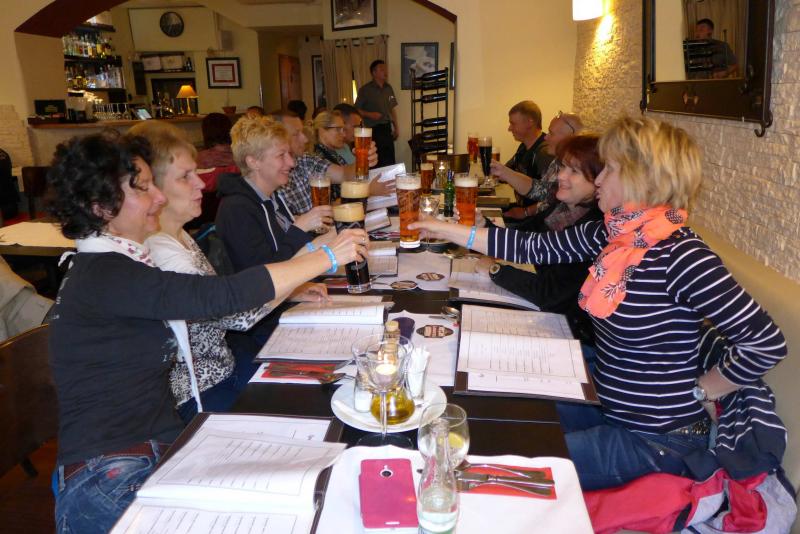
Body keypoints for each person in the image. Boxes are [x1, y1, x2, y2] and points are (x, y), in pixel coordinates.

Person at [410, 116, 787, 491]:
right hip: (606, 406)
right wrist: (442, 228)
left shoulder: (683, 256)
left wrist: (704, 390)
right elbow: (530, 247)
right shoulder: (615, 234)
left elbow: (767, 342)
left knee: (507, 461)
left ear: (643, 177)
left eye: (610, 168)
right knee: (497, 417)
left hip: (658, 440)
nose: (600, 179)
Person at [47, 131, 367, 533]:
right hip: (104, 477)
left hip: (152, 450)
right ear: (99, 206)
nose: (158, 197)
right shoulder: (107, 275)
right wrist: (326, 256)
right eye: (143, 188)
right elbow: (223, 298)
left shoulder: (116, 266)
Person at [137, 123, 328, 422]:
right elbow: (238, 315)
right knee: (313, 403)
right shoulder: (161, 249)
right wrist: (324, 257)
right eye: (186, 177)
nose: (201, 184)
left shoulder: (180, 235)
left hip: (227, 364)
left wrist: (294, 288)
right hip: (201, 391)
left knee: (324, 381)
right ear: (154, 190)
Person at [475, 134, 603, 344]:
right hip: (548, 312)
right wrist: (484, 226)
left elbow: (549, 293)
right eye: (563, 167)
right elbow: (525, 235)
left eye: (574, 171)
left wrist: (495, 270)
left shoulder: (592, 229)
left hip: (571, 333)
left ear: (599, 180)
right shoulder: (562, 209)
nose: (561, 176)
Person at [215, 115, 333, 272]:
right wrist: (300, 228)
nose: (291, 163)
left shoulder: (272, 197)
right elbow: (262, 275)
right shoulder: (236, 210)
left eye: (289, 154)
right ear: (253, 162)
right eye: (281, 155)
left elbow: (291, 251)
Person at [268, 109, 389, 216]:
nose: (305, 139)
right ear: (277, 137)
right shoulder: (271, 175)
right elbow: (287, 226)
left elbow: (344, 174)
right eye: (296, 134)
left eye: (302, 132)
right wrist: (367, 190)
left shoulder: (305, 160)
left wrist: (363, 160)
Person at [494, 111, 584, 220]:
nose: (546, 137)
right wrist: (501, 171)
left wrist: (525, 212)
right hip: (541, 221)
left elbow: (545, 193)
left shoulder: (545, 154)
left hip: (546, 224)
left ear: (570, 137)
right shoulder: (557, 160)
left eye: (551, 133)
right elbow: (543, 190)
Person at [355, 59, 399, 167]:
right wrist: (370, 115)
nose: (385, 71)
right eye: (382, 69)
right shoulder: (365, 90)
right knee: (376, 162)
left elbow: (392, 109)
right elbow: (356, 110)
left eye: (385, 69)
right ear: (374, 73)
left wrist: (396, 127)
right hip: (373, 130)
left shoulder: (388, 88)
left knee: (390, 161)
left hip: (387, 129)